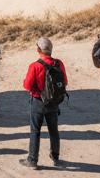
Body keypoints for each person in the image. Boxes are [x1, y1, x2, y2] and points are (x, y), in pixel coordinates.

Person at [20, 36, 67, 169]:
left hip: (38, 101)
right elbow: (65, 82)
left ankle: (32, 160)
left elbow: (27, 86)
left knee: (35, 130)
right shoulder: (59, 63)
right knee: (53, 130)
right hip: (54, 101)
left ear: (38, 49)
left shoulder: (35, 66)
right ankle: (55, 157)